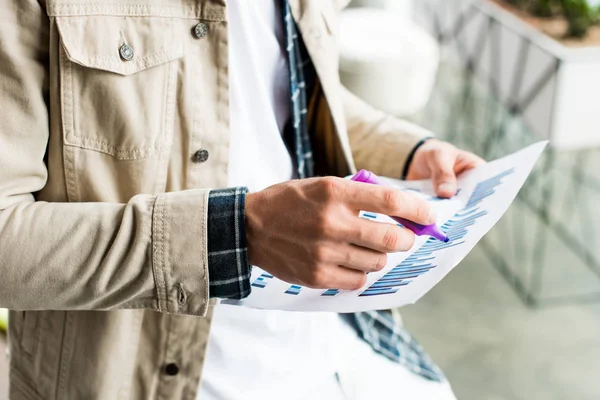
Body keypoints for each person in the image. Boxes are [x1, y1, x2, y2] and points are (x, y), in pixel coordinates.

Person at [0, 0, 483, 399]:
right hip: (144, 378)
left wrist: (409, 149)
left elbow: (281, 90)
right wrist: (235, 234)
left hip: (324, 347)